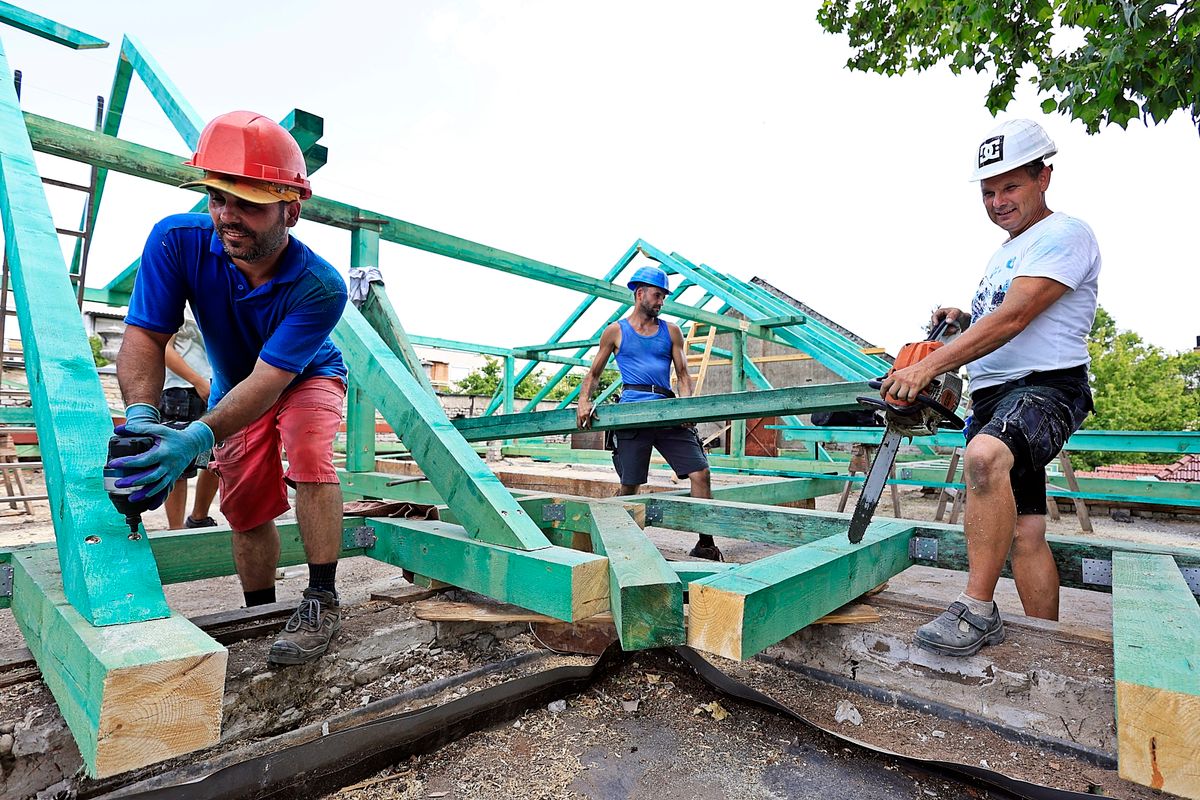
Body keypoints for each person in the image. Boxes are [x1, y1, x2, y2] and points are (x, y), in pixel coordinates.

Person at [110, 110, 350, 667]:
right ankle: (259, 611)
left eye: (248, 204)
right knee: (244, 503)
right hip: (234, 386)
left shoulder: (321, 286)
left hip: (305, 376)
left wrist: (194, 438)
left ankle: (322, 597)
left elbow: (270, 382)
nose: (228, 216)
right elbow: (146, 336)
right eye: (218, 198)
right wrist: (143, 417)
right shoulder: (177, 241)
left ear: (291, 209)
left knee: (310, 449)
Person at [879, 118, 1099, 656]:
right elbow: (994, 313)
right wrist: (963, 313)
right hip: (996, 393)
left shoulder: (1064, 234)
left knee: (983, 459)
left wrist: (924, 368)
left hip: (1045, 388)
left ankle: (977, 610)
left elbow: (1013, 318)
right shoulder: (1007, 251)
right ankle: (1045, 648)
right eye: (989, 191)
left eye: (1011, 186)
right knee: (1026, 533)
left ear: (1043, 177)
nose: (999, 200)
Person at [576, 264, 722, 560]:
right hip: (631, 412)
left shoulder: (671, 331)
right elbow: (593, 373)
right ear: (640, 294)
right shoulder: (616, 331)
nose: (661, 301)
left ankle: (705, 543)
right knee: (630, 484)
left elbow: (682, 374)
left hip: (666, 410)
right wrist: (583, 401)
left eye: (664, 297)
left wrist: (686, 406)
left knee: (701, 472)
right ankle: (621, 544)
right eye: (658, 295)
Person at [160, 315, 220, 530]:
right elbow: (164, 348)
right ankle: (175, 529)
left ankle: (198, 517)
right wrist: (198, 381)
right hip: (183, 389)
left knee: (215, 458)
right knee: (179, 461)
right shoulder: (178, 301)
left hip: (217, 387)